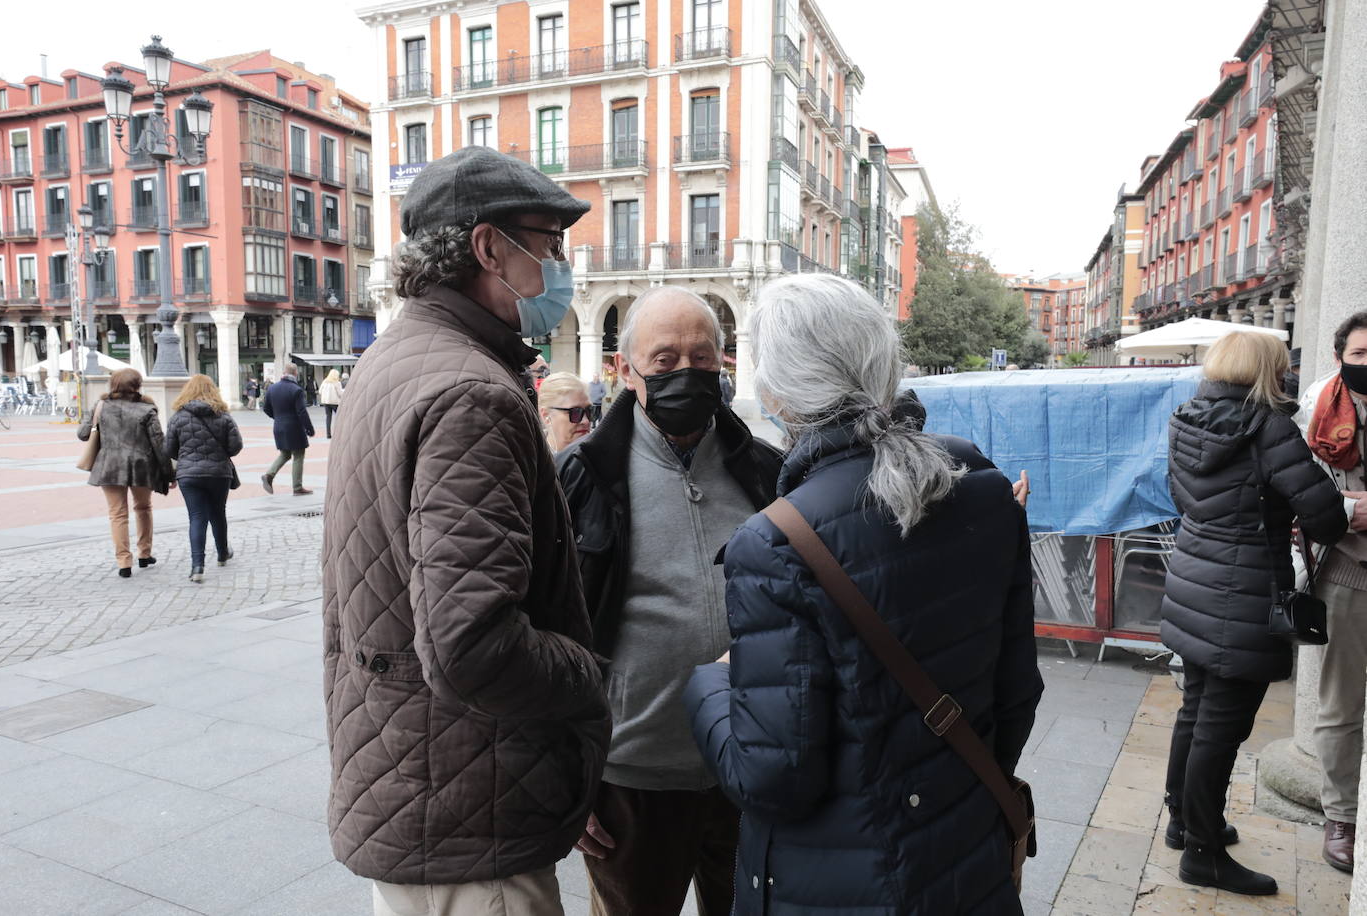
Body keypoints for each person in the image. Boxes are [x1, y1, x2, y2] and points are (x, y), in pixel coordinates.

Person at [683, 274, 1042, 913]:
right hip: (967, 856)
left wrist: (706, 685)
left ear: (779, 392)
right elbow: (1016, 693)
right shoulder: (983, 487)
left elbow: (772, 780)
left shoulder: (775, 543)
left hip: (842, 888)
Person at [321, 146, 609, 916]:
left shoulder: (393, 360)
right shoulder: (470, 394)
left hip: (419, 781)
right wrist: (590, 674)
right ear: (489, 248)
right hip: (469, 810)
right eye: (549, 246)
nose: (558, 267)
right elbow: (472, 646)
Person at [555, 286, 784, 916]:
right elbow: (542, 626)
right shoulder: (578, 476)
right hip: (631, 775)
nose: (687, 372)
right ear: (626, 372)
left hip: (751, 764)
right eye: (664, 360)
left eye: (703, 358)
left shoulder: (765, 469)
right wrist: (562, 776)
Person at [1161, 330, 1346, 895]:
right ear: (1268, 369)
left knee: (1196, 711)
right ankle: (1203, 854)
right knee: (1221, 726)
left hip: (1194, 583)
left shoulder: (1185, 418)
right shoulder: (1267, 428)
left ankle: (1185, 822)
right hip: (1241, 597)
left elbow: (1182, 497)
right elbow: (1327, 517)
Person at [1296, 312, 1367, 872]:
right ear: (1342, 355)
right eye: (1360, 354)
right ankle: (1340, 816)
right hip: (1348, 570)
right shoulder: (1319, 409)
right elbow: (1298, 489)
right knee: (1340, 704)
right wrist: (1347, 509)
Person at [76, 367, 173, 578]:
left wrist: (92, 416)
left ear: (113, 385)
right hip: (141, 466)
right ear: (137, 386)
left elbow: (83, 434)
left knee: (117, 513)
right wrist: (169, 474)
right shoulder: (147, 409)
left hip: (109, 466)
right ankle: (144, 553)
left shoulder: (101, 406)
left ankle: (124, 561)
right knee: (143, 508)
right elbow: (159, 444)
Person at [164, 374, 243, 583]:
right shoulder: (223, 416)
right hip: (219, 473)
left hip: (189, 474)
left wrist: (186, 456)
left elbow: (168, 448)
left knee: (197, 517)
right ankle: (223, 552)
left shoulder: (178, 416)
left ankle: (197, 566)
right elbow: (236, 446)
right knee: (218, 513)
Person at [260, 364, 314, 496]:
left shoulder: (272, 388)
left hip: (278, 426)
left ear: (284, 372)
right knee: (298, 455)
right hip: (294, 427)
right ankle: (297, 487)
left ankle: (269, 475)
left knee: (285, 454)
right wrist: (309, 428)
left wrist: (278, 418)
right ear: (295, 373)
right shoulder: (296, 390)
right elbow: (301, 411)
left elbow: (266, 408)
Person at [538, 371, 592, 453]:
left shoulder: (597, 457)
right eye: (575, 412)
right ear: (546, 415)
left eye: (589, 411)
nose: (586, 421)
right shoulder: (531, 460)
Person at [319, 368, 344, 438]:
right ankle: (339, 433)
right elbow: (340, 393)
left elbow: (320, 391)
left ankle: (328, 434)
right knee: (339, 417)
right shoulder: (337, 383)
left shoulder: (325, 382)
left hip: (326, 402)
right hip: (335, 402)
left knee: (328, 417)